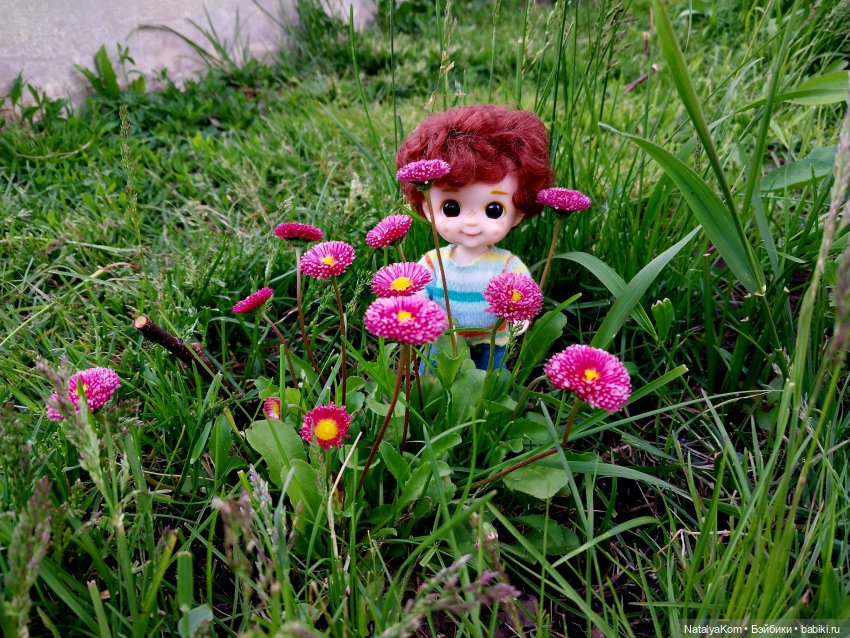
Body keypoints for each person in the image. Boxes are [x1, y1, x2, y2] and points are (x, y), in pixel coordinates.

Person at [397, 104, 554, 370]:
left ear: (518, 213)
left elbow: (524, 293)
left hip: (494, 336)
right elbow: (417, 290)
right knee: (432, 372)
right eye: (451, 208)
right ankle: (431, 390)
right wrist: (416, 309)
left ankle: (489, 392)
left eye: (493, 210)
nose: (471, 221)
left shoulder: (507, 265)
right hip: (443, 336)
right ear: (427, 208)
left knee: (493, 376)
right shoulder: (434, 262)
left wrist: (521, 316)